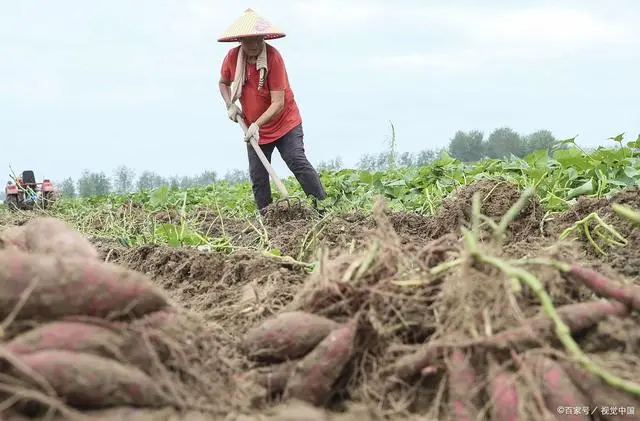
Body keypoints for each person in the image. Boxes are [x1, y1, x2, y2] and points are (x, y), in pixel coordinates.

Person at [217, 8, 326, 215]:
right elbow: (223, 83)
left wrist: (257, 124)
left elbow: (278, 103)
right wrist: (229, 104)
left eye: (258, 39)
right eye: (249, 41)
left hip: (285, 123)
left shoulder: (273, 58)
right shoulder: (232, 58)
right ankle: (268, 219)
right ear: (240, 40)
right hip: (253, 129)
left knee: (297, 161)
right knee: (258, 177)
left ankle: (322, 208)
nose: (255, 45)